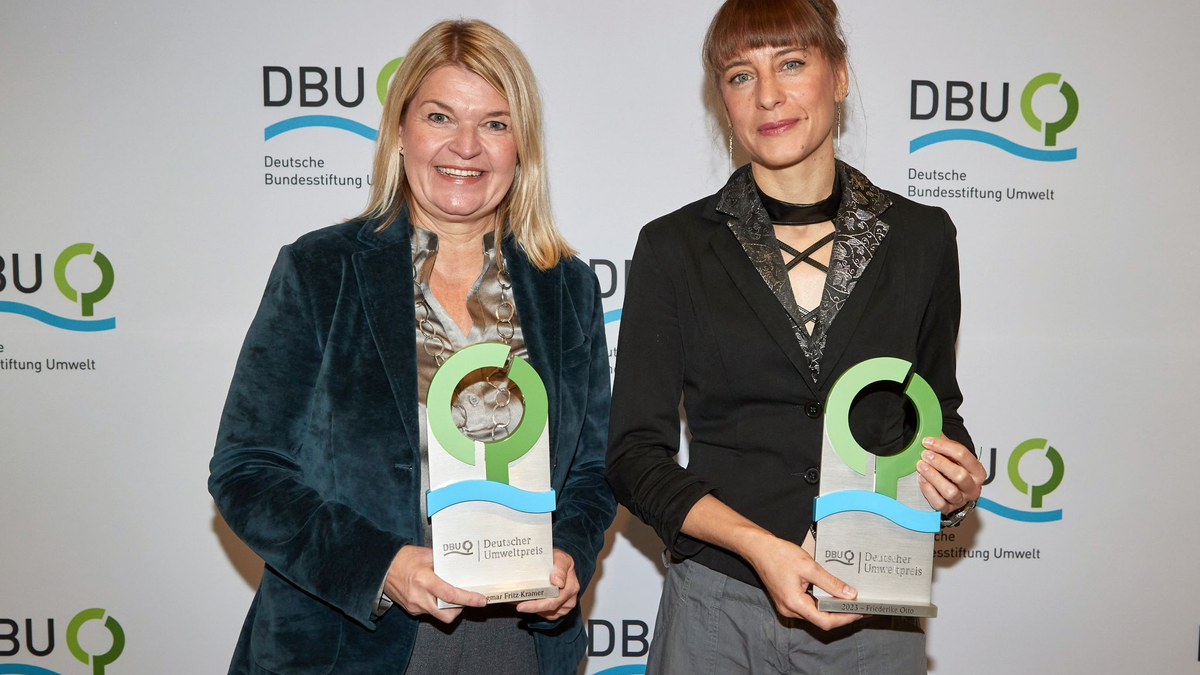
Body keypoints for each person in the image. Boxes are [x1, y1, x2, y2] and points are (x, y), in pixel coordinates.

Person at [210, 19, 614, 675]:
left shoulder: (565, 287)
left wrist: (569, 551)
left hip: (516, 646)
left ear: (522, 147)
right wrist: (383, 566)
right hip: (346, 644)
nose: (465, 146)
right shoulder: (321, 270)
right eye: (440, 116)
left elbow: (591, 473)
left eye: (495, 123)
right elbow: (246, 469)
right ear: (401, 131)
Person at [605, 0, 987, 672]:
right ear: (721, 99)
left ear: (838, 75)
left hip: (871, 609)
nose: (770, 95)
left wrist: (954, 481)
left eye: (790, 63)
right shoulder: (673, 248)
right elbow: (636, 454)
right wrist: (758, 545)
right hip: (714, 611)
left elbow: (935, 412)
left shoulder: (923, 239)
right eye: (741, 75)